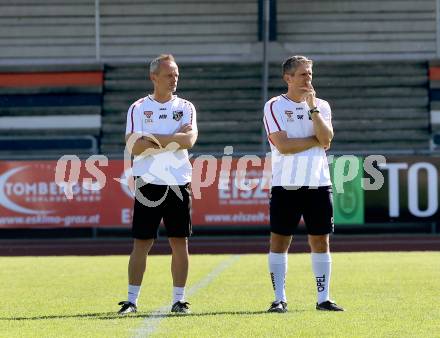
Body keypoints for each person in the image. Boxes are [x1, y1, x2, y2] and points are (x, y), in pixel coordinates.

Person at [263, 55, 344, 312]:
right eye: (302, 74)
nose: (308, 78)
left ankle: (323, 299)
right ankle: (279, 299)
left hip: (318, 183)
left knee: (321, 241)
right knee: (280, 241)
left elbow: (327, 138)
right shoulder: (274, 105)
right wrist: (315, 140)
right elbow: (284, 146)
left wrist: (313, 109)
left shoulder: (321, 105)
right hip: (286, 184)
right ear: (287, 78)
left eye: (309, 74)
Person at [118, 54, 197, 315]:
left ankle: (179, 299)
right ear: (154, 77)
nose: (174, 79)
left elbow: (189, 141)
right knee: (142, 243)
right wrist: (173, 138)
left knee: (179, 242)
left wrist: (151, 139)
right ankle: (131, 300)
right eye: (168, 75)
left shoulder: (186, 106)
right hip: (148, 182)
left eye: (176, 74)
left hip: (178, 182)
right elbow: (134, 145)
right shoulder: (139, 107)